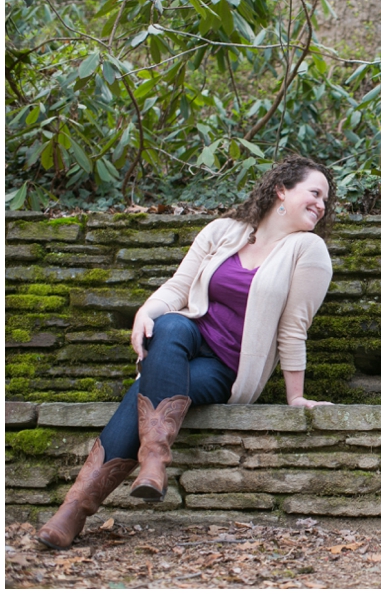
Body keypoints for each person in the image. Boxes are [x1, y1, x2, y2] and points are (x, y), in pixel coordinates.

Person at [37, 155, 336, 550]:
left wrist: (294, 395)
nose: (321, 204)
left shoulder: (307, 250)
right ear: (282, 189)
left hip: (227, 368)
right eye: (314, 193)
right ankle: (154, 461)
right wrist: (145, 312)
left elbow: (295, 327)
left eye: (326, 200)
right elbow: (179, 288)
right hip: (186, 340)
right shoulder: (223, 232)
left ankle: (75, 510)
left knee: (142, 393)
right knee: (171, 323)